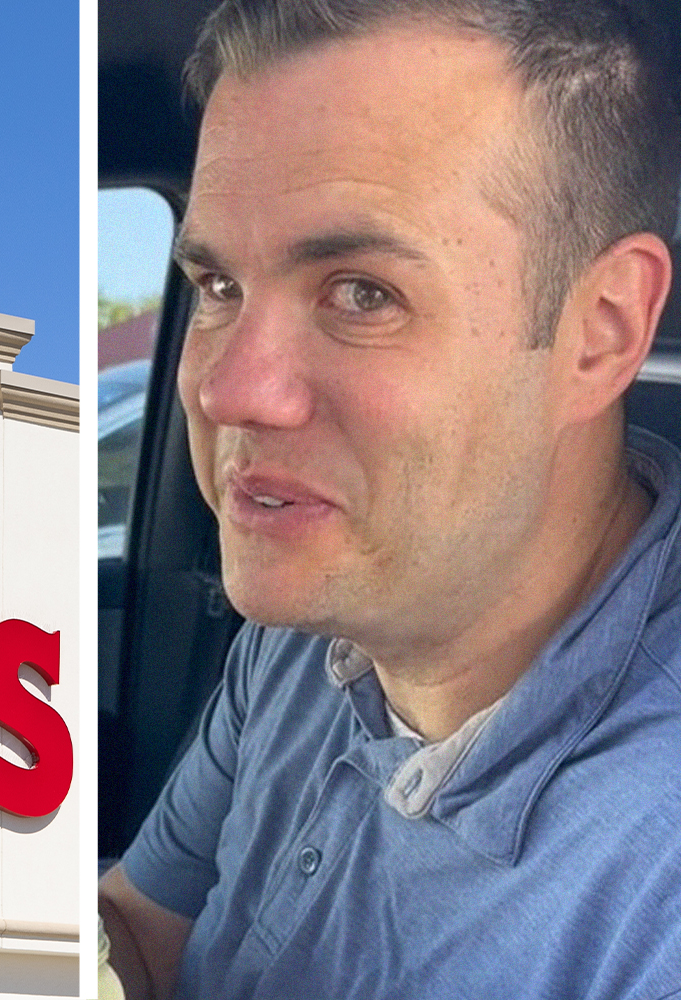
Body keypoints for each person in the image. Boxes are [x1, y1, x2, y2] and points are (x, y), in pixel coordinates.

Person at [99, 2, 681, 998]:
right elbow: (144, 931)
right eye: (217, 286)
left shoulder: (647, 896)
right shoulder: (306, 632)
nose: (223, 390)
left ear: (599, 328)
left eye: (359, 292)